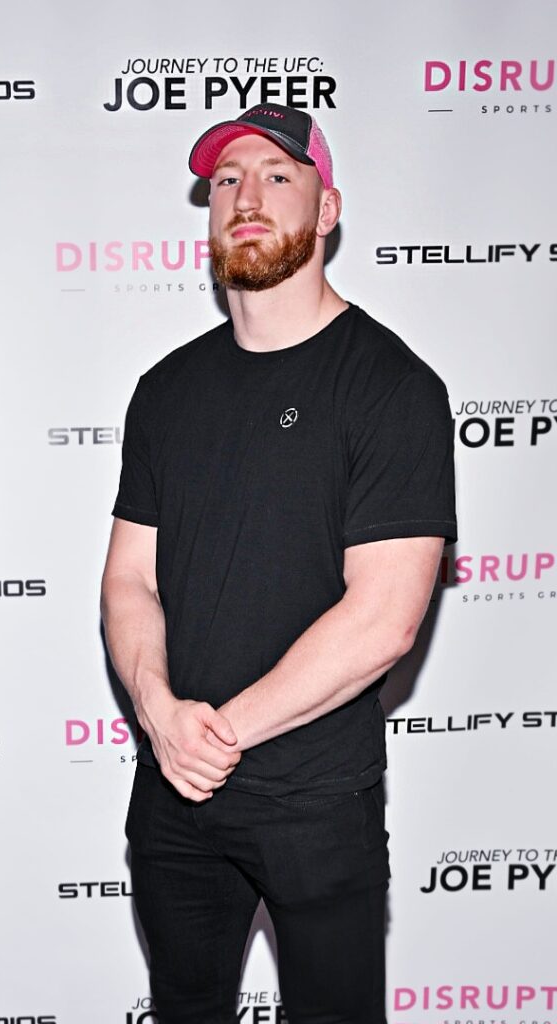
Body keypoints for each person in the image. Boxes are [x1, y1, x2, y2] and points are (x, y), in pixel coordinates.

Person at [100, 103, 456, 1024]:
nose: (245, 198)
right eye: (226, 181)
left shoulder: (392, 386)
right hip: (174, 796)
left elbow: (385, 618)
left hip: (313, 801)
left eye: (276, 178)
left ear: (326, 209)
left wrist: (214, 734)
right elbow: (129, 580)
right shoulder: (167, 389)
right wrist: (159, 715)